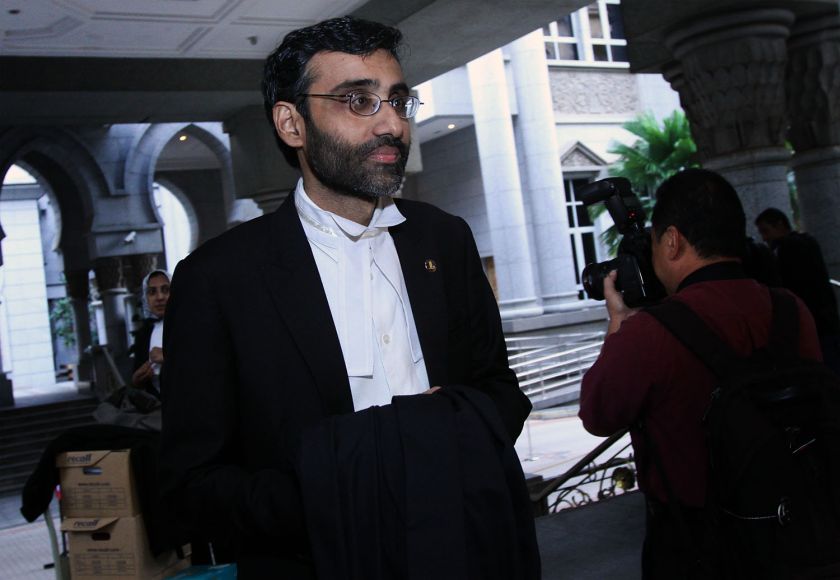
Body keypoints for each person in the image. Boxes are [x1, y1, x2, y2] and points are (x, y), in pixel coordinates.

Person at [159, 16, 533, 578]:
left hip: (462, 548)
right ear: (292, 123)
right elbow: (194, 484)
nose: (391, 124)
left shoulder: (445, 239)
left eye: (398, 101)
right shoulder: (218, 278)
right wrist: (346, 489)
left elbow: (502, 393)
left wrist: (442, 439)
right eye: (358, 101)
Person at [579, 169, 822, 578]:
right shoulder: (790, 309)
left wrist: (619, 323)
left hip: (697, 544)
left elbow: (597, 414)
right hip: (797, 528)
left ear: (672, 241)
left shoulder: (652, 332)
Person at [755, 207, 840, 372]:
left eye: (766, 231)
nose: (765, 238)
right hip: (825, 320)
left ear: (779, 225)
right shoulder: (807, 242)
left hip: (812, 323)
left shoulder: (786, 248)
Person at [130, 269, 169, 395]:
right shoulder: (144, 333)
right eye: (152, 292)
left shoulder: (189, 325)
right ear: (146, 298)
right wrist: (136, 379)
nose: (159, 297)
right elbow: (137, 377)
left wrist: (168, 357)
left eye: (165, 290)